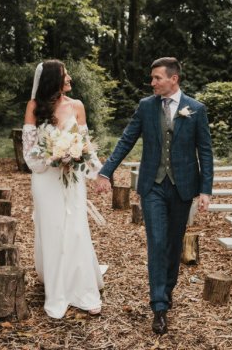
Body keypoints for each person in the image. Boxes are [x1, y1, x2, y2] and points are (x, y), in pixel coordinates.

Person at [95, 57, 213, 334]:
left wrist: (206, 189)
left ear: (174, 79)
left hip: (183, 187)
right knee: (157, 243)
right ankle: (159, 306)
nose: (152, 83)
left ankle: (167, 291)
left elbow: (205, 151)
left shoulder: (196, 109)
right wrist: (106, 171)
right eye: (152, 78)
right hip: (153, 187)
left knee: (173, 245)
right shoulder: (146, 107)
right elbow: (127, 139)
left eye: (157, 78)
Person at [22, 59, 104, 318]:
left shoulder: (77, 106)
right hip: (46, 180)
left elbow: (86, 143)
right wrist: (54, 152)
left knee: (77, 229)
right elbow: (29, 153)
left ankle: (84, 290)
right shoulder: (34, 107)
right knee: (54, 230)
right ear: (52, 79)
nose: (69, 78)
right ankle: (57, 291)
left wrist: (100, 174)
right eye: (65, 74)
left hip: (73, 179)